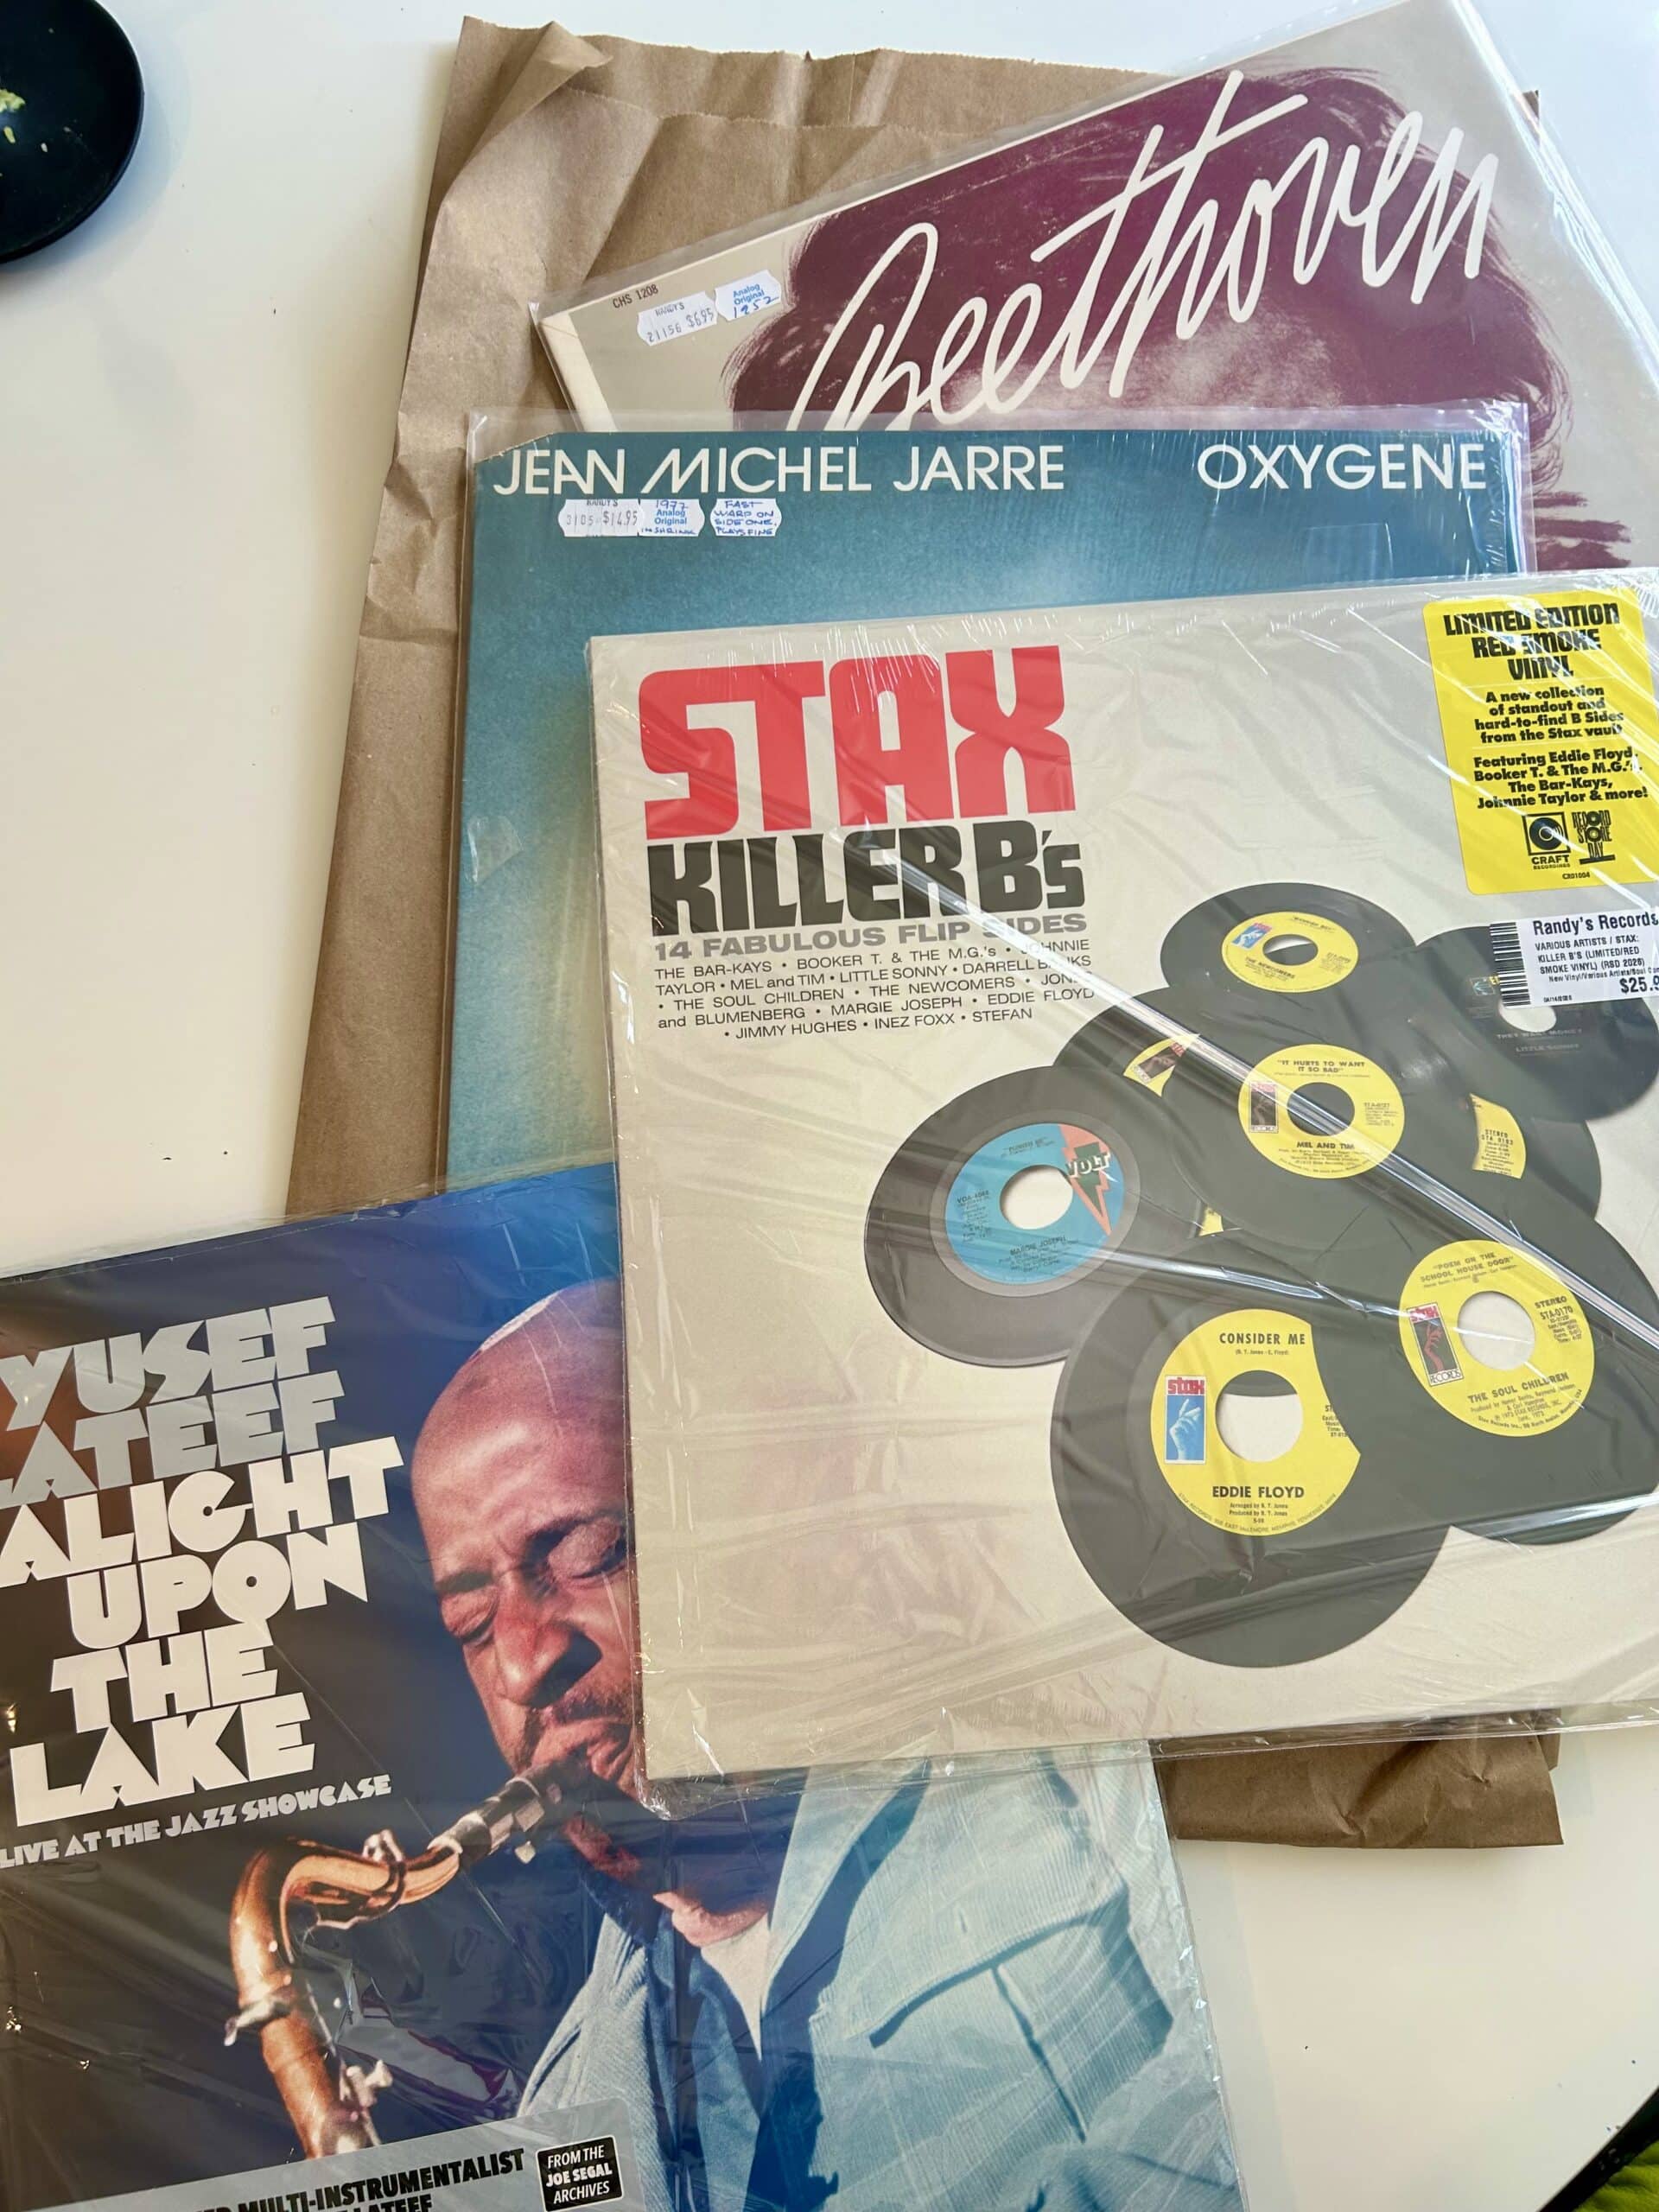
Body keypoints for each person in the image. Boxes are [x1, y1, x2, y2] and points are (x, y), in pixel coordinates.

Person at [411, 1279, 1241, 2212]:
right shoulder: (567, 2109)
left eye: (590, 1551)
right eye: (470, 1622)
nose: (521, 1665)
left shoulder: (1065, 1767)